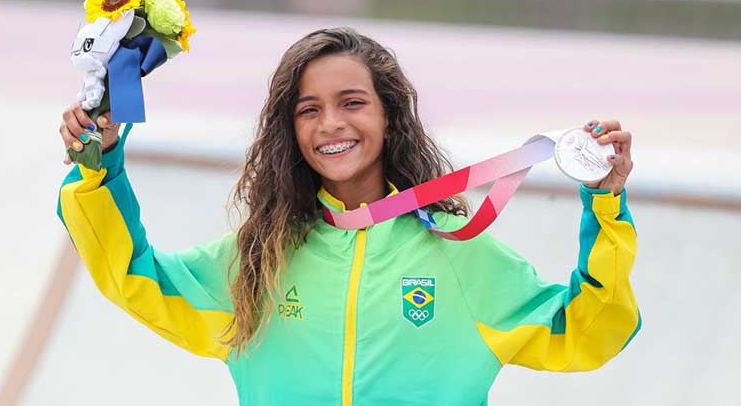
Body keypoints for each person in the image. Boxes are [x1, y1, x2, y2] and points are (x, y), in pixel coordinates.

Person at [57, 28, 640, 406]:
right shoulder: (258, 260)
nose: (331, 123)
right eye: (309, 110)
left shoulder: (460, 257)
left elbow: (589, 330)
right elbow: (134, 276)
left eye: (353, 103)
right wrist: (99, 164)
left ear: (391, 118)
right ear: (291, 132)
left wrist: (604, 203)